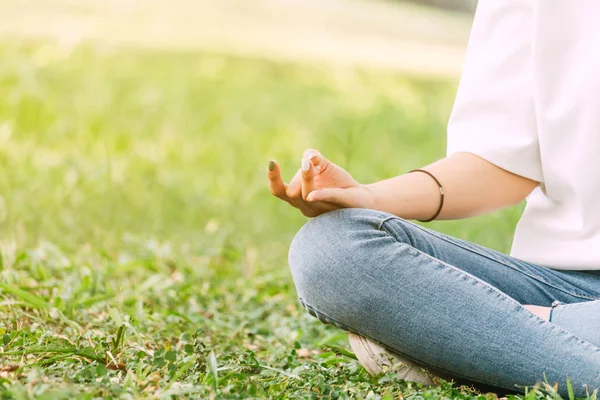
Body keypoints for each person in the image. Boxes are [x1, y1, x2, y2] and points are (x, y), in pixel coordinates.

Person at [266, 1, 600, 397]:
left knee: (498, 328)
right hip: (558, 284)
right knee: (329, 251)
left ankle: (503, 342)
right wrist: (369, 197)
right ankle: (524, 338)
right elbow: (502, 160)